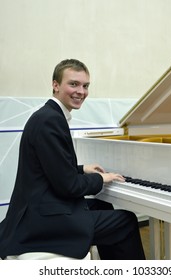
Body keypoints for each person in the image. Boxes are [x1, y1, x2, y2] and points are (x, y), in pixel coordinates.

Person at [0, 59, 145, 260]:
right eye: (74, 84)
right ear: (55, 85)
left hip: (40, 205)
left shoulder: (48, 115)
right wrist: (102, 179)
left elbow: (51, 167)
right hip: (42, 219)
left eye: (85, 86)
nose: (81, 91)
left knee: (104, 206)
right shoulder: (51, 120)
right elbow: (68, 186)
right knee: (126, 221)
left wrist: (82, 168)